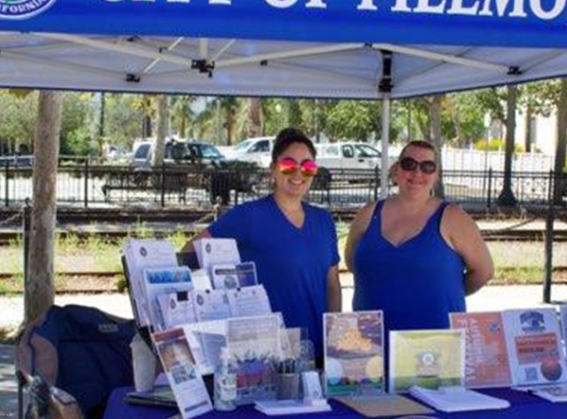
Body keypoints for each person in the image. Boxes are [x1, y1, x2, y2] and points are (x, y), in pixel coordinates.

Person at [189, 127, 341, 355]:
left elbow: (332, 284)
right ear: (273, 169)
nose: (298, 173)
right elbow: (191, 254)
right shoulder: (249, 216)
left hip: (317, 351)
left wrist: (335, 337)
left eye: (307, 166)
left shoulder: (324, 221)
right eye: (289, 164)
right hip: (265, 354)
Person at [345, 140, 493, 335]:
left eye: (427, 167)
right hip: (370, 344)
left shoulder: (454, 218)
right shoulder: (368, 214)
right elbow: (352, 262)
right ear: (396, 169)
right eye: (409, 164)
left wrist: (444, 294)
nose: (417, 173)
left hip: (432, 348)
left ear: (435, 176)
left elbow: (484, 272)